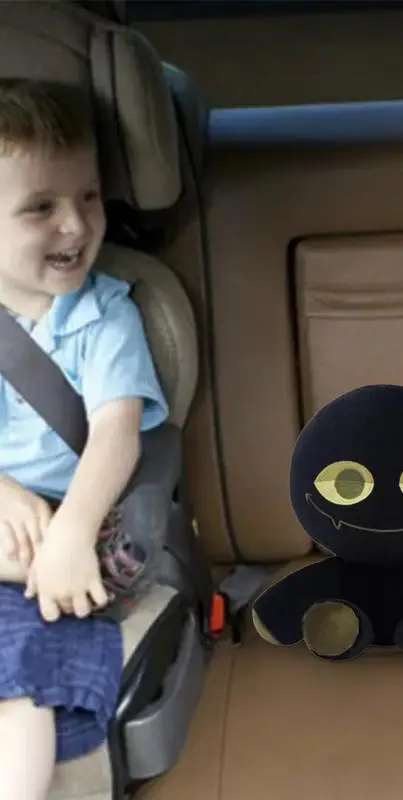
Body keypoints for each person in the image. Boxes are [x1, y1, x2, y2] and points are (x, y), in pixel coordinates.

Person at [0, 79, 168, 799]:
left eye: (89, 197)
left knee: (20, 686)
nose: (75, 225)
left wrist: (70, 531)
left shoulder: (105, 318)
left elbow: (115, 435)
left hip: (60, 529)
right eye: (40, 207)